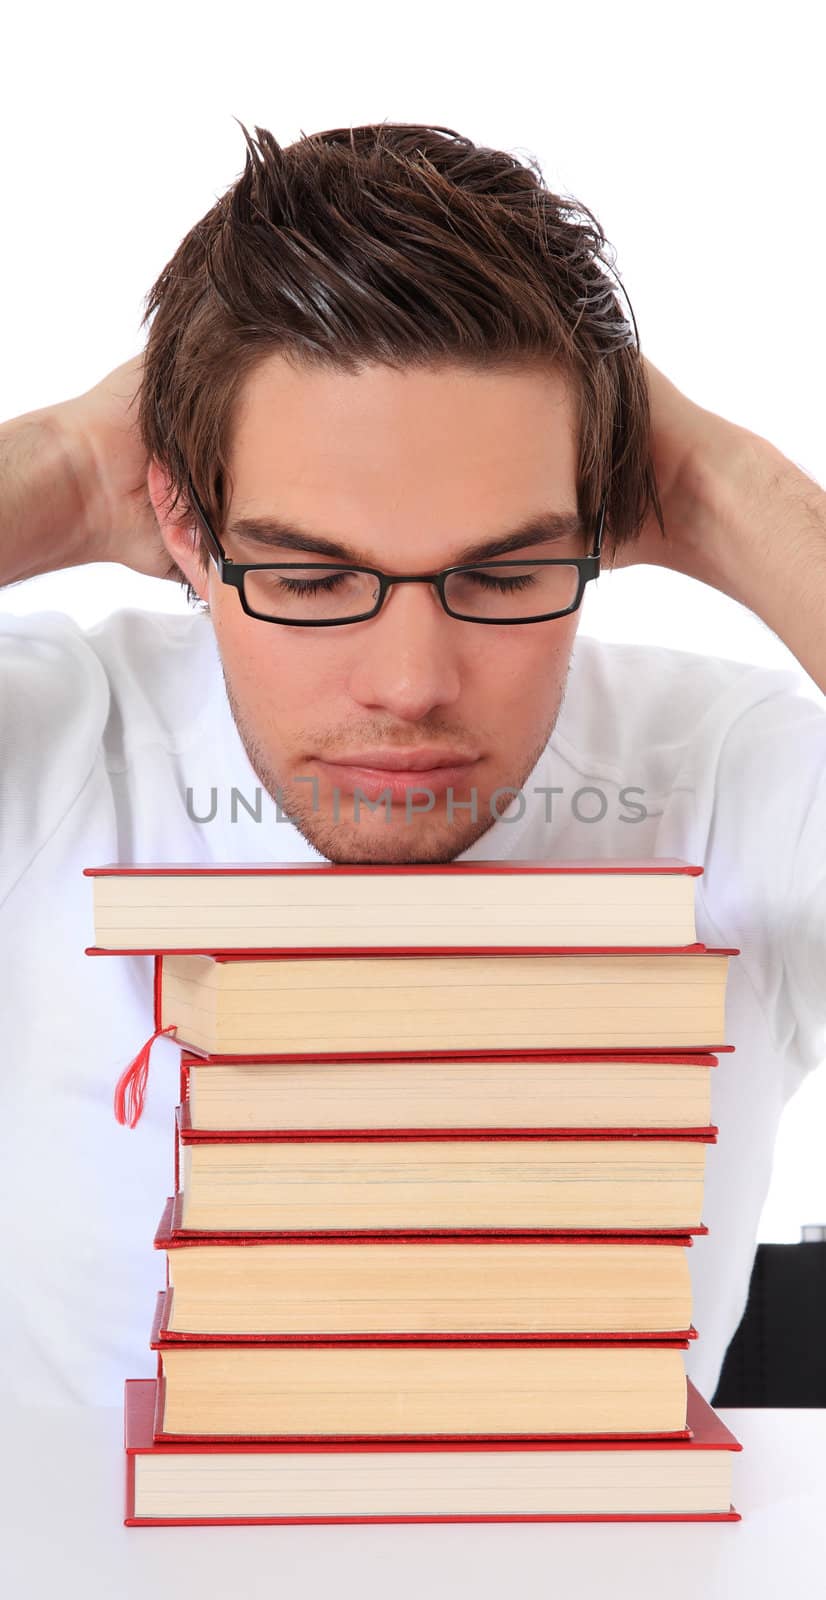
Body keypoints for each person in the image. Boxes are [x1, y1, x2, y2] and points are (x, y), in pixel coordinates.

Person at [2, 120, 824, 1410]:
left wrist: (727, 488)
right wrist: (50, 473)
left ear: (600, 527)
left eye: (505, 573)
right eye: (309, 575)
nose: (411, 682)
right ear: (185, 525)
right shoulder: (53, 736)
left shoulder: (735, 772)